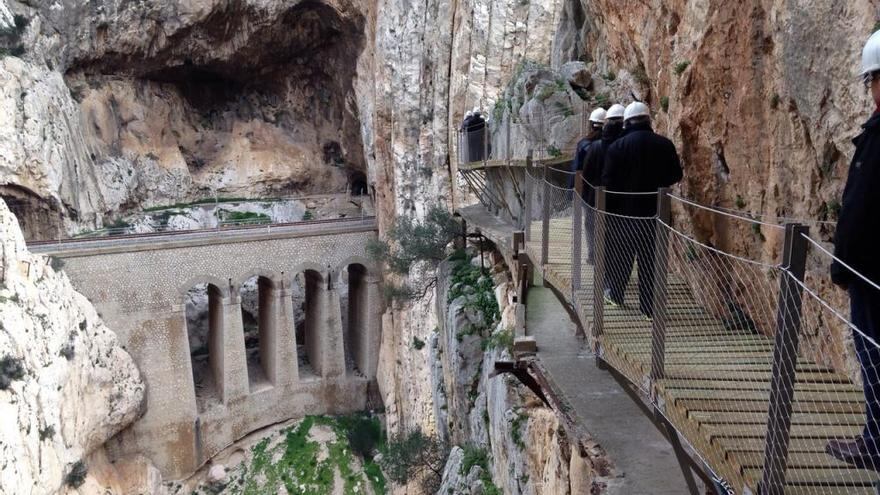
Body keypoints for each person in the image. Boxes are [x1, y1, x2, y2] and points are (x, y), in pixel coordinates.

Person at [825, 31, 880, 471]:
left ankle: (875, 442)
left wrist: (843, 266)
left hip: (872, 275)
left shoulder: (878, 138)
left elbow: (861, 208)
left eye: (872, 80)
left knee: (874, 357)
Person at [601, 102, 682, 319]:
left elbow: (607, 182)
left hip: (624, 215)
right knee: (651, 261)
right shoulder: (664, 144)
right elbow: (675, 175)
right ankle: (649, 308)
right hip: (655, 213)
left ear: (627, 122)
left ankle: (616, 294)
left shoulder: (616, 147)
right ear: (648, 120)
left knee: (622, 257)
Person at [580, 104, 625, 263]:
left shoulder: (593, 146)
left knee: (592, 226)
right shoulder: (622, 146)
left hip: (594, 195)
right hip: (619, 197)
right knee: (613, 229)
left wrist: (584, 195)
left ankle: (594, 256)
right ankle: (612, 260)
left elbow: (584, 171)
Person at [570, 108, 607, 187]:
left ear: (591, 124)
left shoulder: (584, 143)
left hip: (583, 184)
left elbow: (576, 167)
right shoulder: (609, 144)